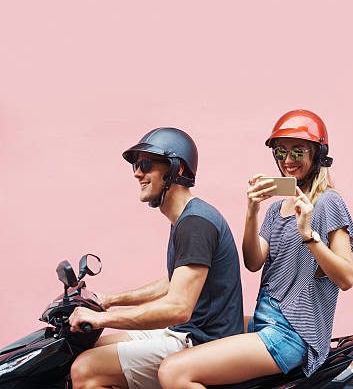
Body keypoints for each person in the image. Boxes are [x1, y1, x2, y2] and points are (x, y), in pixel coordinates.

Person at [157, 110, 353, 388]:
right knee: (198, 328)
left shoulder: (328, 203)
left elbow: (346, 277)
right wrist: (252, 210)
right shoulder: (276, 209)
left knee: (173, 372)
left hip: (291, 333)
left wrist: (309, 234)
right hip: (265, 321)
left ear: (317, 155)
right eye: (280, 152)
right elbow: (253, 261)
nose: (288, 161)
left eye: (298, 152)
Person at [68, 127, 244, 389]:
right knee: (92, 347)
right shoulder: (187, 217)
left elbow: (178, 308)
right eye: (136, 166)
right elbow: (173, 282)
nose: (138, 172)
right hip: (187, 333)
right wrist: (110, 301)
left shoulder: (195, 223)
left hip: (201, 342)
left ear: (177, 169)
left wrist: (102, 319)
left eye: (146, 164)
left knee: (86, 369)